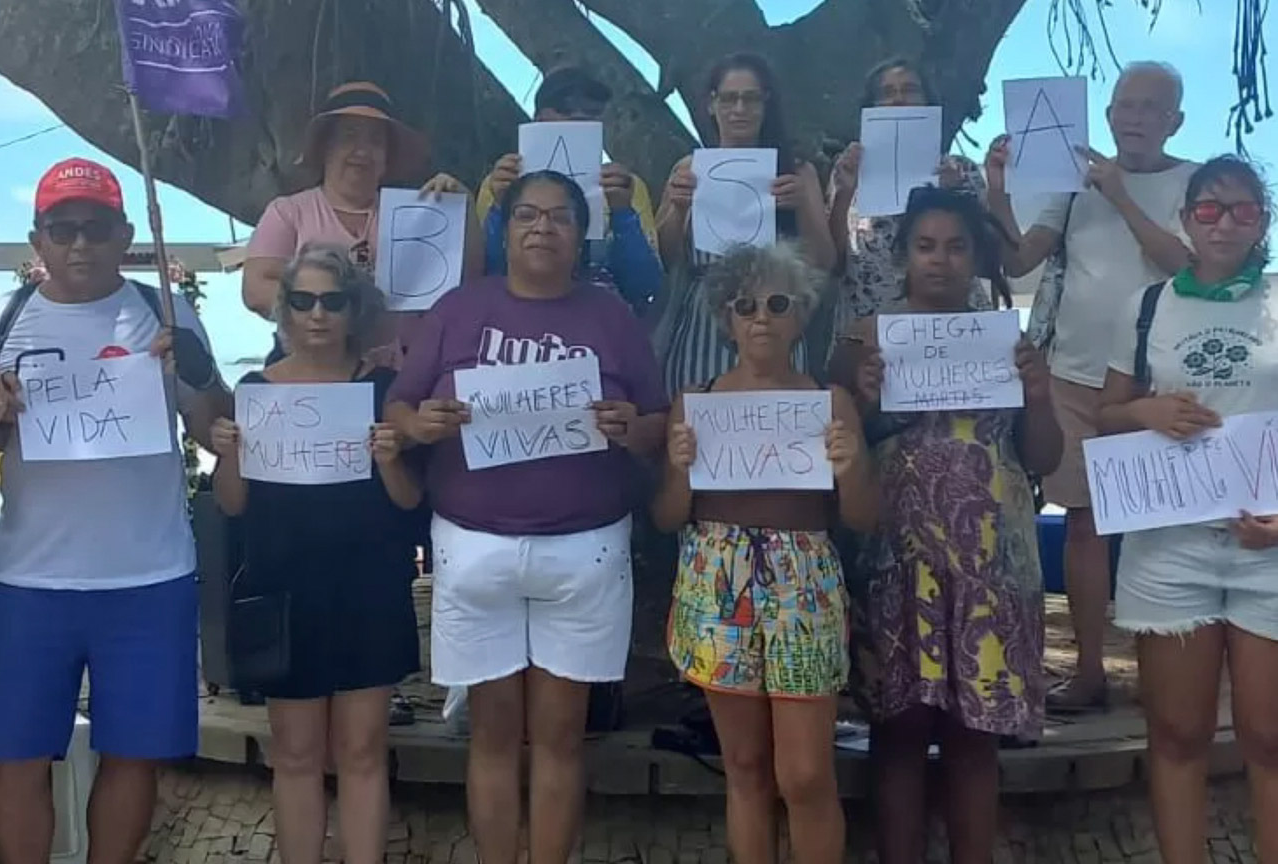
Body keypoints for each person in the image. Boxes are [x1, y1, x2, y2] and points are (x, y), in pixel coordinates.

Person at [386, 171, 668, 864]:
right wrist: (422, 424)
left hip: (585, 550)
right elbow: (399, 408)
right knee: (490, 733)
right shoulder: (458, 308)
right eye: (527, 216)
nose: (543, 228)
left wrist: (631, 427)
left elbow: (658, 420)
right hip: (473, 545)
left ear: (581, 234)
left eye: (561, 217)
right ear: (503, 229)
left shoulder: (611, 317)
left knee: (561, 737)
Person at [0, 158, 230, 864]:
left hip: (149, 578)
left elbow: (217, 434)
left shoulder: (165, 311)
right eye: (63, 229)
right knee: (15, 760)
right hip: (31, 578)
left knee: (135, 757)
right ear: (38, 239)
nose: (79, 244)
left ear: (125, 234)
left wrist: (200, 374)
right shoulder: (2, 318)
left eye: (96, 228)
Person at [832, 188, 1061, 864]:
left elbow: (1042, 456)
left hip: (991, 566)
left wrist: (1039, 396)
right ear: (903, 256)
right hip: (895, 560)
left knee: (974, 737)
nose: (940, 260)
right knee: (897, 732)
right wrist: (865, 400)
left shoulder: (1007, 341)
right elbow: (840, 446)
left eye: (956, 246)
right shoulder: (862, 341)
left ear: (975, 258)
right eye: (926, 246)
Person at [651, 243, 877, 864]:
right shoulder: (695, 402)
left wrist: (851, 468)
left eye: (777, 304)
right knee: (746, 767)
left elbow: (860, 517)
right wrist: (678, 468)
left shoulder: (830, 404)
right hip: (715, 580)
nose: (760, 318)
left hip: (804, 584)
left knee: (804, 774)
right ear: (725, 318)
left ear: (800, 316)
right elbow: (668, 517)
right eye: (744, 305)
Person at [985, 61, 1195, 712]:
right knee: (1083, 525)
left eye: (1149, 108)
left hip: (1158, 382)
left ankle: (1170, 670)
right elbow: (1018, 258)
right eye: (1122, 105)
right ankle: (1088, 671)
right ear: (1104, 115)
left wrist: (1121, 196)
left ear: (1174, 122)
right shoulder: (1069, 185)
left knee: (1163, 529)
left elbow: (1186, 267)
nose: (1132, 118)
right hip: (1074, 373)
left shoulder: (1193, 183)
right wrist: (995, 189)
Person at [209, 244, 422, 864]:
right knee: (296, 754)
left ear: (353, 309)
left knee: (362, 751)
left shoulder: (386, 390)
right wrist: (228, 453)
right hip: (283, 590)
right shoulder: (254, 391)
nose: (318, 314)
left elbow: (411, 502)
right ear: (284, 311)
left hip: (368, 589)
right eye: (303, 301)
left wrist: (388, 458)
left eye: (332, 301)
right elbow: (232, 504)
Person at [1096, 155, 1278, 864]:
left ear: (1262, 221)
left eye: (1241, 209)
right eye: (1207, 208)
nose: (1223, 222)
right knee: (1175, 734)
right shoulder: (1146, 307)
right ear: (1185, 218)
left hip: (1266, 550)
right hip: (1166, 545)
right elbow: (1106, 415)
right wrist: (1144, 408)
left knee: (1268, 738)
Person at [243, 81, 483, 368]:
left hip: (400, 377)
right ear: (326, 148)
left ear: (387, 157)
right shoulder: (289, 212)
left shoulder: (417, 216)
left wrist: (462, 211)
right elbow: (256, 289)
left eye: (375, 141)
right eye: (349, 136)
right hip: (309, 372)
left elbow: (465, 282)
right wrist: (337, 316)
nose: (362, 150)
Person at [654, 52, 836, 394]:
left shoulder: (797, 171)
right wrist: (678, 210)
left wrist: (802, 207)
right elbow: (665, 258)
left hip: (776, 323)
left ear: (766, 104)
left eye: (751, 98)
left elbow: (825, 262)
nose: (739, 109)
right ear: (711, 104)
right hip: (701, 324)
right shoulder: (688, 168)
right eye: (729, 98)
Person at [827, 57, 994, 336]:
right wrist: (844, 194)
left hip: (951, 328)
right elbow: (834, 261)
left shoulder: (961, 171)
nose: (898, 99)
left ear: (929, 104)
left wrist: (954, 195)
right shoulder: (849, 171)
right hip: (870, 331)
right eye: (887, 93)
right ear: (871, 107)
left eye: (910, 90)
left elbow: (988, 256)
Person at [478, 66, 663, 316]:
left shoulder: (624, 186)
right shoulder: (501, 183)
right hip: (517, 329)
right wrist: (500, 207)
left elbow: (644, 287)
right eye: (565, 108)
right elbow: (486, 276)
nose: (579, 117)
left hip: (603, 332)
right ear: (539, 118)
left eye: (591, 112)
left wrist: (622, 213)